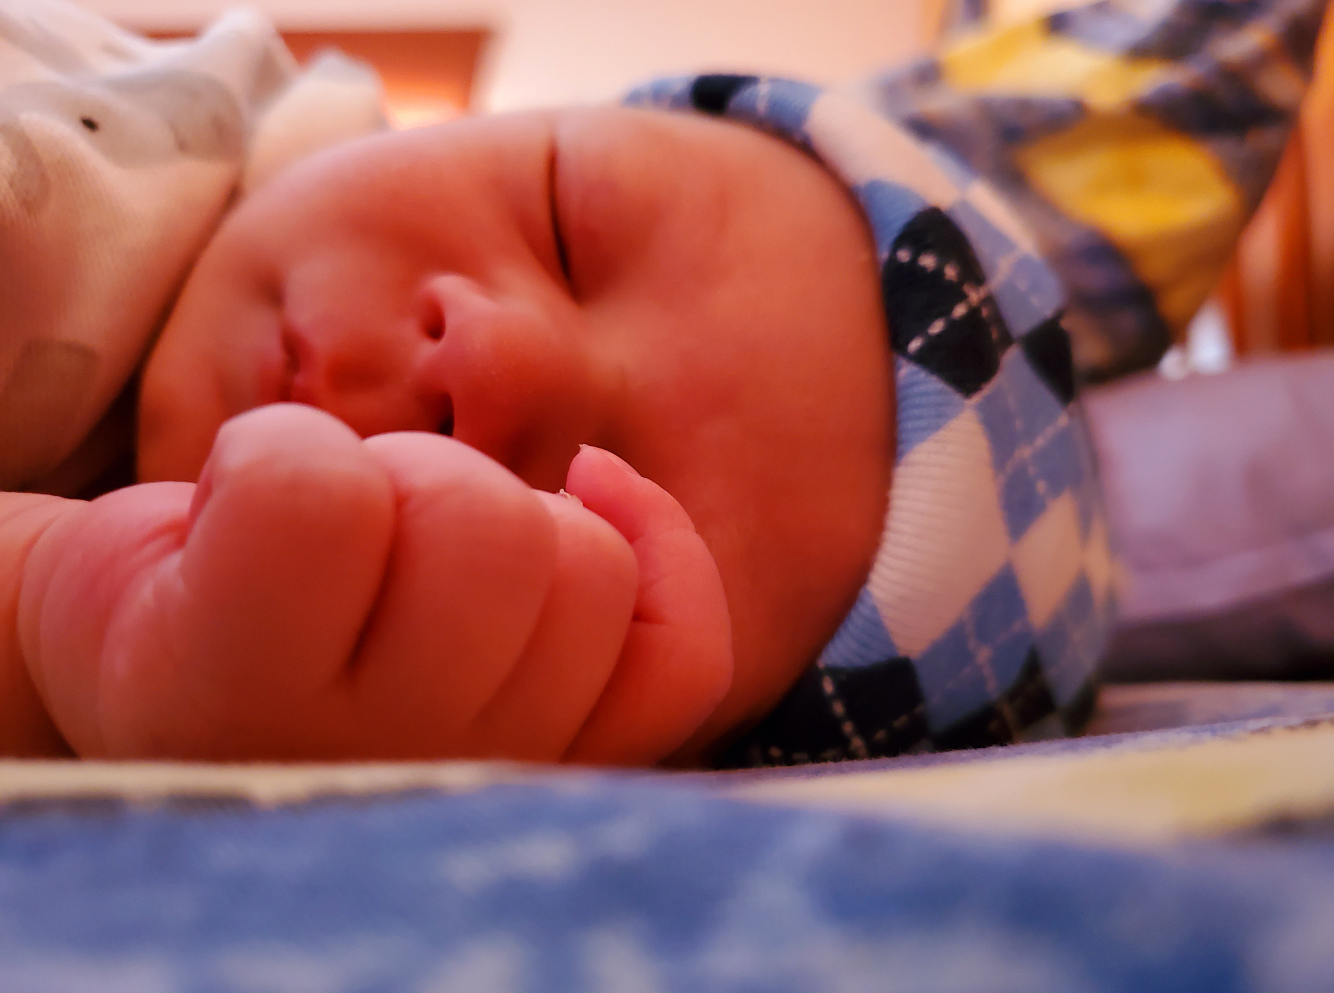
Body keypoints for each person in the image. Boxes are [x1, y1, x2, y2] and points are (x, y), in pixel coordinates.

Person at [0, 0, 1322, 766]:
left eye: (608, 514)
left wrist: (71, 628)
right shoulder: (122, 179)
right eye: (563, 221)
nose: (495, 362)